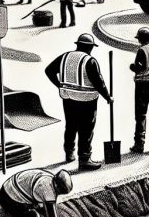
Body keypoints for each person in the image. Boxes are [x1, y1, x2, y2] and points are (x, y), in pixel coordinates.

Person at [45, 33, 113, 171]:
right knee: (86, 129)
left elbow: (49, 70)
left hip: (68, 97)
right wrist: (108, 97)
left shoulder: (65, 57)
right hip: (87, 100)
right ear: (89, 47)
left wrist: (59, 85)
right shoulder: (90, 61)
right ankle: (84, 159)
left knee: (71, 125)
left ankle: (69, 153)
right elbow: (99, 83)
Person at [0, 169, 73, 217]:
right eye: (59, 192)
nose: (58, 194)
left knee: (43, 210)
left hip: (7, 189)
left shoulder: (49, 178)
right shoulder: (48, 189)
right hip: (8, 199)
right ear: (57, 186)